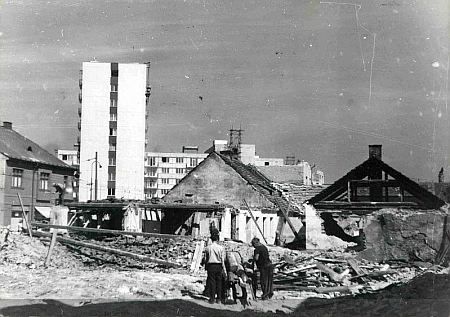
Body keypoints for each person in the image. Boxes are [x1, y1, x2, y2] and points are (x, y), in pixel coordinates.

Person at [202, 231, 227, 304]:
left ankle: (212, 299)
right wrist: (224, 269)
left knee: (212, 282)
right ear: (217, 239)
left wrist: (205, 266)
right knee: (219, 282)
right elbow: (223, 260)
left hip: (211, 266)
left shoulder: (207, 248)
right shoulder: (221, 248)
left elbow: (205, 259)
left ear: (211, 239)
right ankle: (218, 299)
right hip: (219, 266)